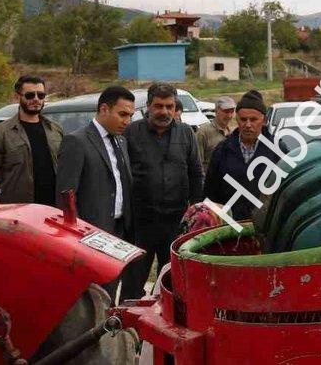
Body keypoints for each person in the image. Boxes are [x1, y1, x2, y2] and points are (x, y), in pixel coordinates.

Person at [121, 83, 204, 300]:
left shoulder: (186, 133)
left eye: (169, 106)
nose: (164, 111)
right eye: (158, 106)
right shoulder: (131, 132)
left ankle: (164, 327)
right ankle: (127, 330)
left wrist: (195, 209)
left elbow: (195, 172)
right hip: (140, 223)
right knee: (134, 279)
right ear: (148, 106)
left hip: (175, 221)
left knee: (170, 281)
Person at [55, 86, 136, 297]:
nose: (127, 121)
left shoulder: (121, 141)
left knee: (110, 290)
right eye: (122, 114)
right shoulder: (77, 141)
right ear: (104, 109)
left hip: (119, 231)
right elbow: (66, 195)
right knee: (91, 295)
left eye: (130, 115)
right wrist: (76, 239)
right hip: (90, 235)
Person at [0, 75, 65, 206]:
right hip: (19, 210)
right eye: (30, 95)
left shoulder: (55, 130)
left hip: (54, 208)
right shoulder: (1, 132)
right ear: (17, 97)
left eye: (41, 95)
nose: (36, 99)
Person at [203, 90, 280, 223]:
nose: (248, 125)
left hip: (267, 228)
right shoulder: (222, 150)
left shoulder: (278, 151)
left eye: (253, 119)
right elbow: (210, 192)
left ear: (264, 120)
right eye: (243, 119)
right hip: (229, 228)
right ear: (237, 119)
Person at [196, 96, 234, 168]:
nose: (229, 116)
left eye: (232, 111)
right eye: (226, 111)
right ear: (216, 111)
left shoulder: (232, 134)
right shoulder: (203, 132)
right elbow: (197, 163)